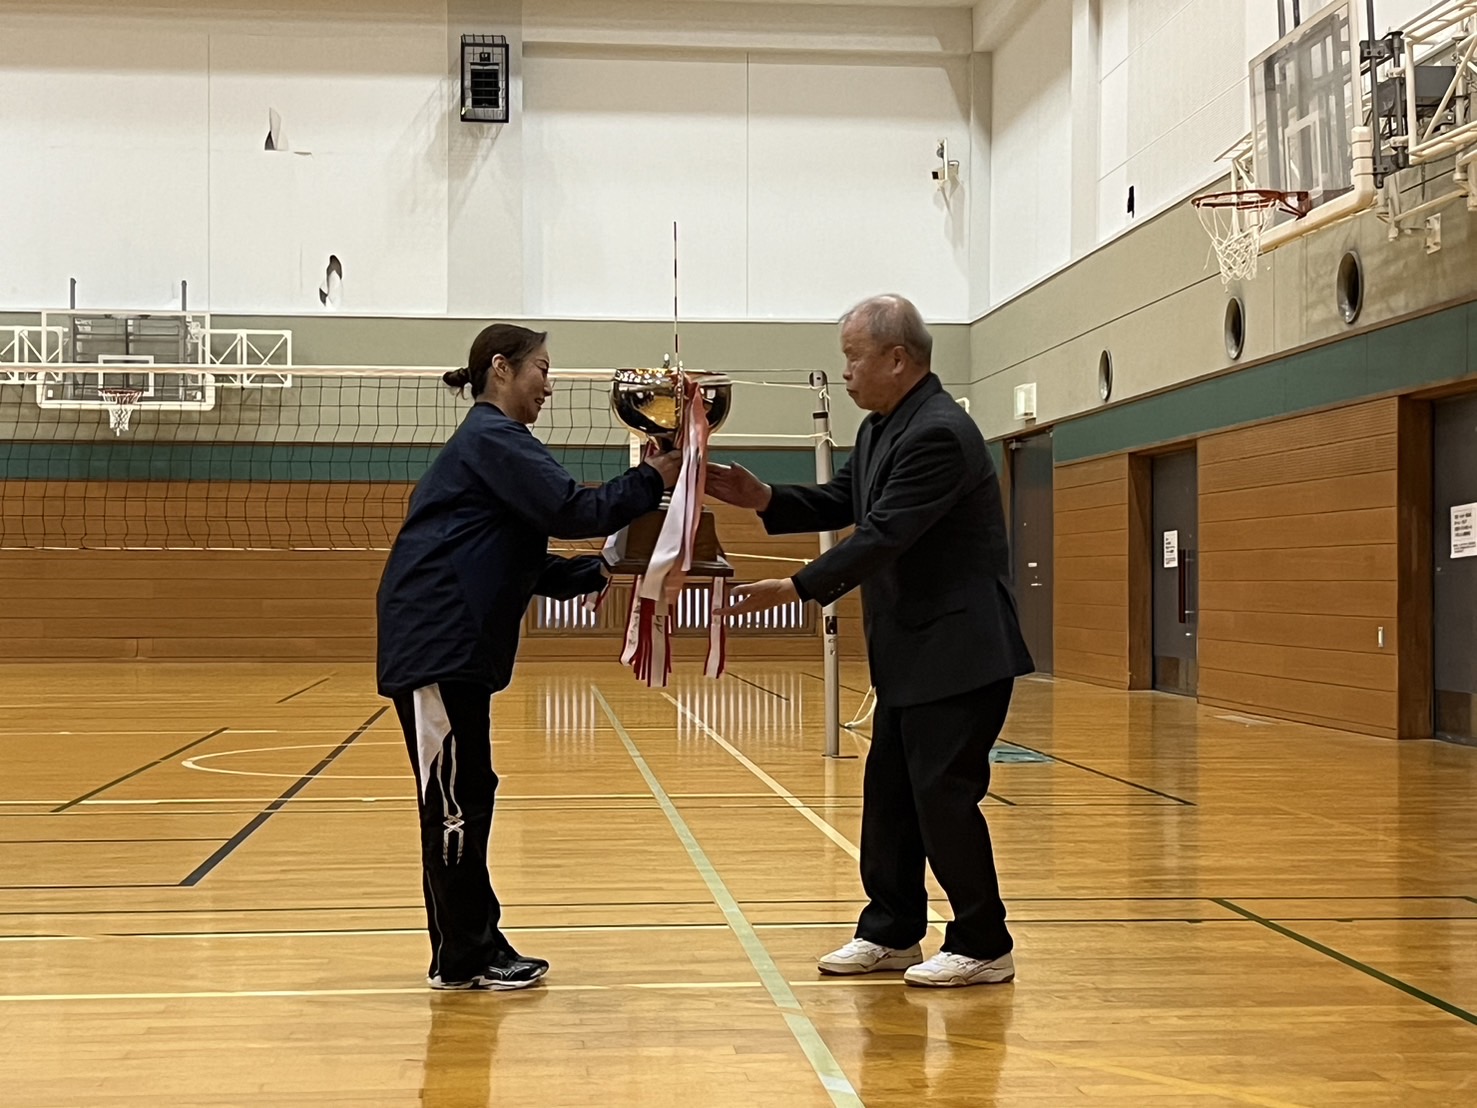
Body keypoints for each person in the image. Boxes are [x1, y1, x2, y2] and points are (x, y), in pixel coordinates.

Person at [707, 294, 1034, 988]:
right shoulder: (883, 425)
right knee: (889, 796)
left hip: (961, 653)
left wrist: (797, 587)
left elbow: (884, 534)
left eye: (854, 358)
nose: (846, 372)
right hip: (913, 654)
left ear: (897, 358)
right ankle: (890, 932)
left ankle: (983, 943)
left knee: (942, 796)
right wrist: (764, 498)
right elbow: (845, 501)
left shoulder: (939, 433)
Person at [376, 323, 681, 991]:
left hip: (451, 647)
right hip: (439, 646)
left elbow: (516, 558)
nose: (549, 383)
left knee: (467, 793)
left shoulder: (490, 447)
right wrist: (649, 478)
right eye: (541, 368)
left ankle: (468, 948)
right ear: (501, 369)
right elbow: (572, 510)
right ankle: (464, 957)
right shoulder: (493, 438)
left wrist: (599, 571)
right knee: (454, 803)